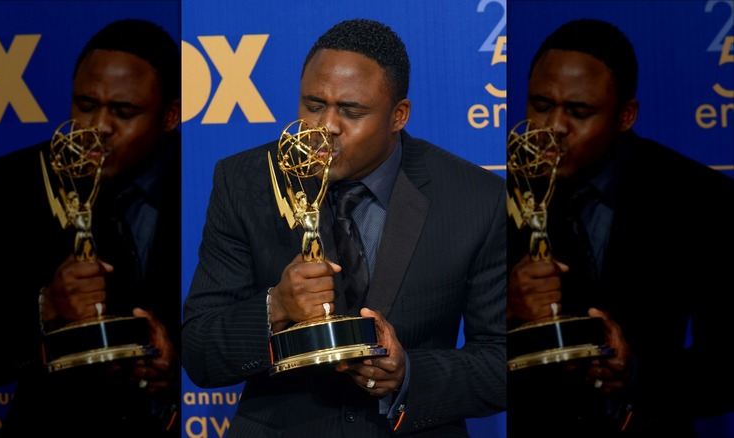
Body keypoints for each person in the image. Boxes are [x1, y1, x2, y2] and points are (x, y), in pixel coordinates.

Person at [182, 18, 506, 436]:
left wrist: (407, 374)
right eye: (314, 105)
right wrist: (276, 307)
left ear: (398, 116)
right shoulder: (245, 181)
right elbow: (199, 351)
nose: (326, 127)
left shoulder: (475, 198)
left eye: (351, 111)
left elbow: (502, 360)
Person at [505, 18, 734, 437]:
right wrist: (503, 305)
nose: (554, 127)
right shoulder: (493, 193)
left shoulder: (702, 199)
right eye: (540, 104)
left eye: (579, 112)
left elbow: (725, 370)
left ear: (626, 115)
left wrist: (636, 371)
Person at [0, 18, 182, 437]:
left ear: (170, 115)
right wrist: (47, 307)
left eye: (123, 111)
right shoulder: (20, 179)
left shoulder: (208, 179)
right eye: (85, 105)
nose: (98, 127)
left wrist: (178, 363)